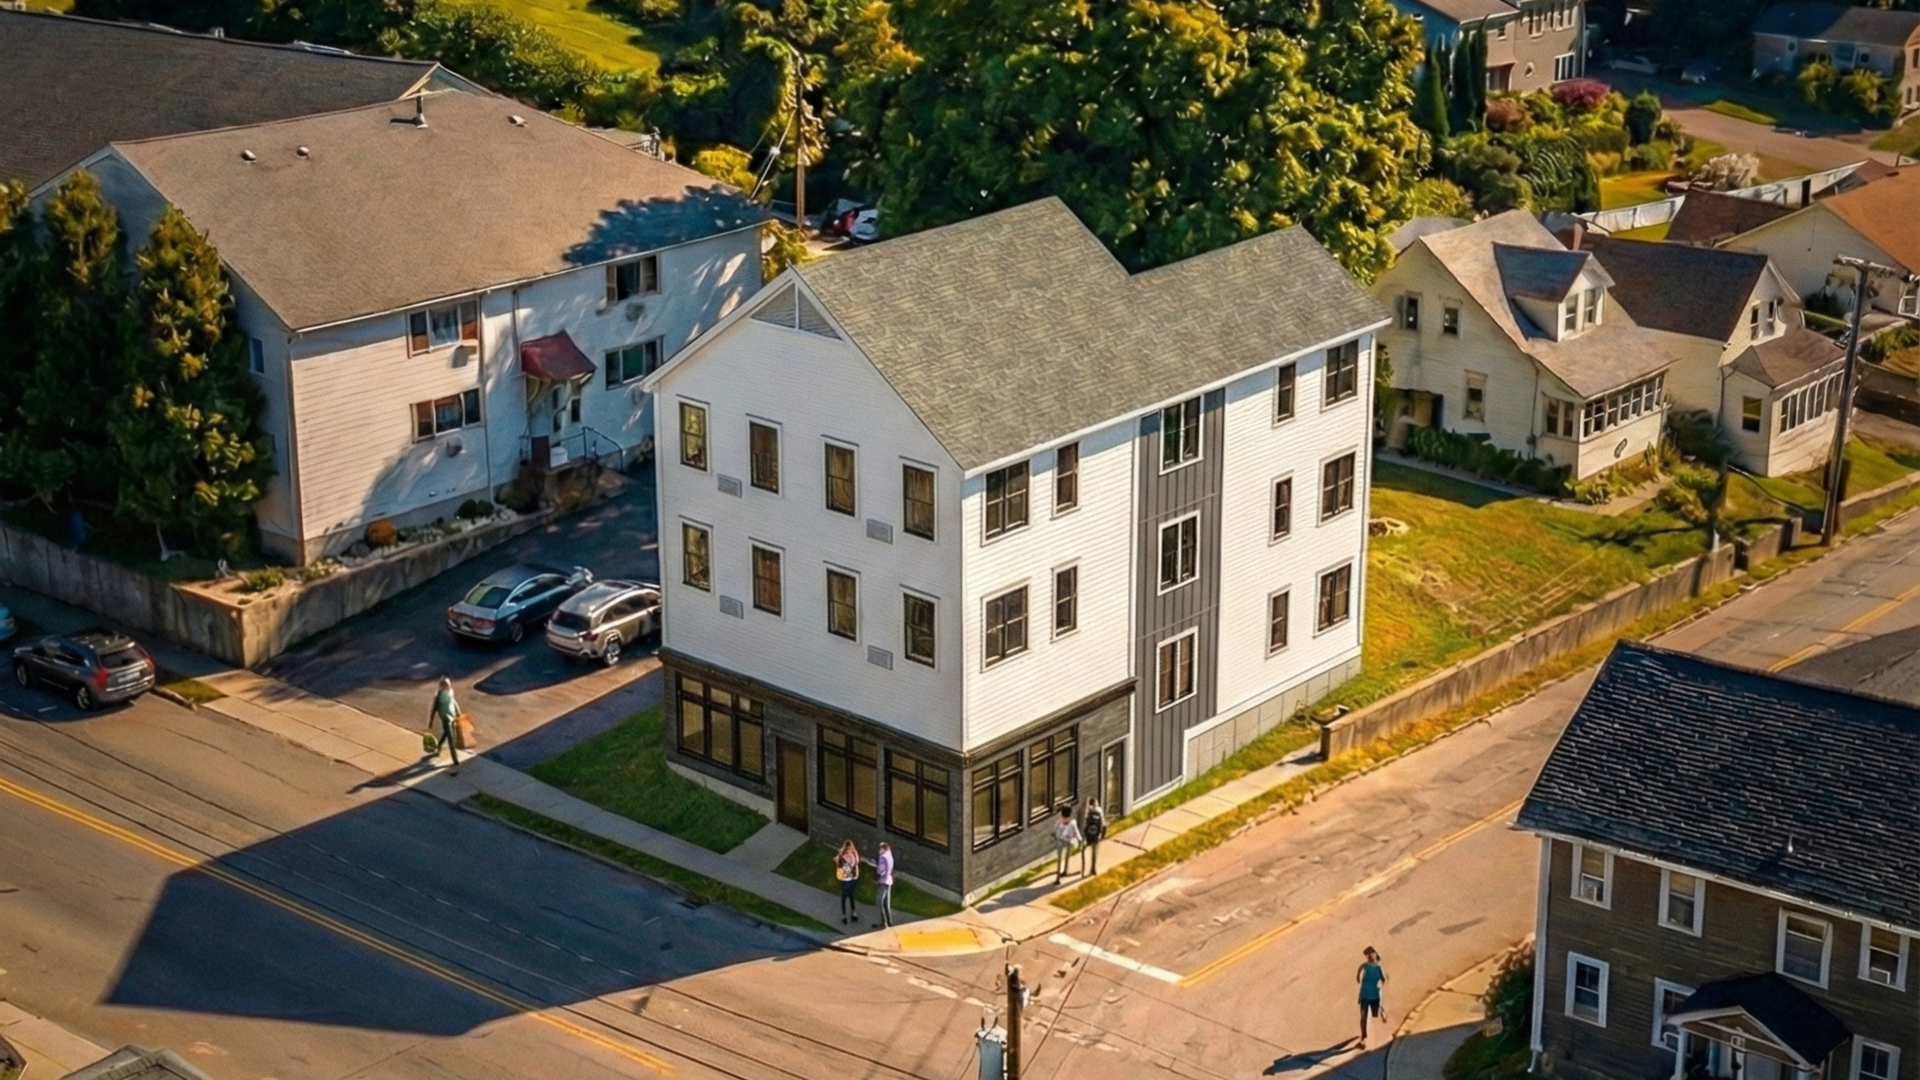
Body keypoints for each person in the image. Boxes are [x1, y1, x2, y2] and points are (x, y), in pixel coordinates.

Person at [427, 676, 461, 771]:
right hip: (445, 718)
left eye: (448, 684)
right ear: (441, 686)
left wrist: (458, 712)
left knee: (446, 734)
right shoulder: (438, 696)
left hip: (452, 716)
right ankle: (455, 759)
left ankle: (438, 746)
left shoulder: (450, 691)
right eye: (445, 684)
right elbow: (433, 709)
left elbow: (453, 701)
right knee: (451, 738)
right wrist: (431, 721)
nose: (447, 686)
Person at [1357, 947, 1387, 1049]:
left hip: (1374, 994)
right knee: (1363, 1017)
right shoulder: (1365, 966)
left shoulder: (1379, 967)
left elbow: (1384, 978)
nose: (1370, 956)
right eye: (1368, 955)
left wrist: (1380, 983)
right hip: (1365, 995)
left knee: (1375, 1014)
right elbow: (1359, 973)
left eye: (1371, 954)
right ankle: (1363, 1039)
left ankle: (1381, 1010)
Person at [1053, 805, 1083, 884]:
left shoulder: (1072, 823)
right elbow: (1055, 828)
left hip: (1068, 840)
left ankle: (1065, 871)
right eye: (1062, 818)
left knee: (1067, 856)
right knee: (1059, 858)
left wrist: (1080, 840)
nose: (1063, 819)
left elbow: (1076, 831)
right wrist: (1055, 835)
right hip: (1060, 840)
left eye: (1064, 818)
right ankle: (1058, 877)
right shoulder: (1060, 821)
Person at [835, 840, 861, 925]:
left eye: (851, 848)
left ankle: (853, 913)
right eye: (848, 849)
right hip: (845, 880)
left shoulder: (853, 855)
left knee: (851, 896)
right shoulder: (843, 857)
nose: (850, 850)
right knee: (844, 896)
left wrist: (856, 874)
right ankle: (844, 915)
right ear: (846, 849)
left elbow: (856, 863)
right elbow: (840, 867)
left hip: (852, 879)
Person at [1080, 797, 1106, 876]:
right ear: (1095, 803)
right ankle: (1093, 868)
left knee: (1086, 850)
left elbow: (1085, 822)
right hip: (1096, 834)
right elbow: (1102, 823)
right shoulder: (1099, 811)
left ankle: (1084, 870)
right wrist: (1102, 834)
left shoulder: (1088, 812)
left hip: (1089, 834)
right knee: (1095, 852)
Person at [874, 842, 896, 928]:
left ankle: (884, 922)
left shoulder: (883, 857)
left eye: (880, 849)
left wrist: (877, 877)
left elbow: (881, 870)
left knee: (879, 902)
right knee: (887, 903)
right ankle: (890, 921)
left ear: (884, 848)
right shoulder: (890, 856)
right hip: (889, 881)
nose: (879, 850)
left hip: (883, 881)